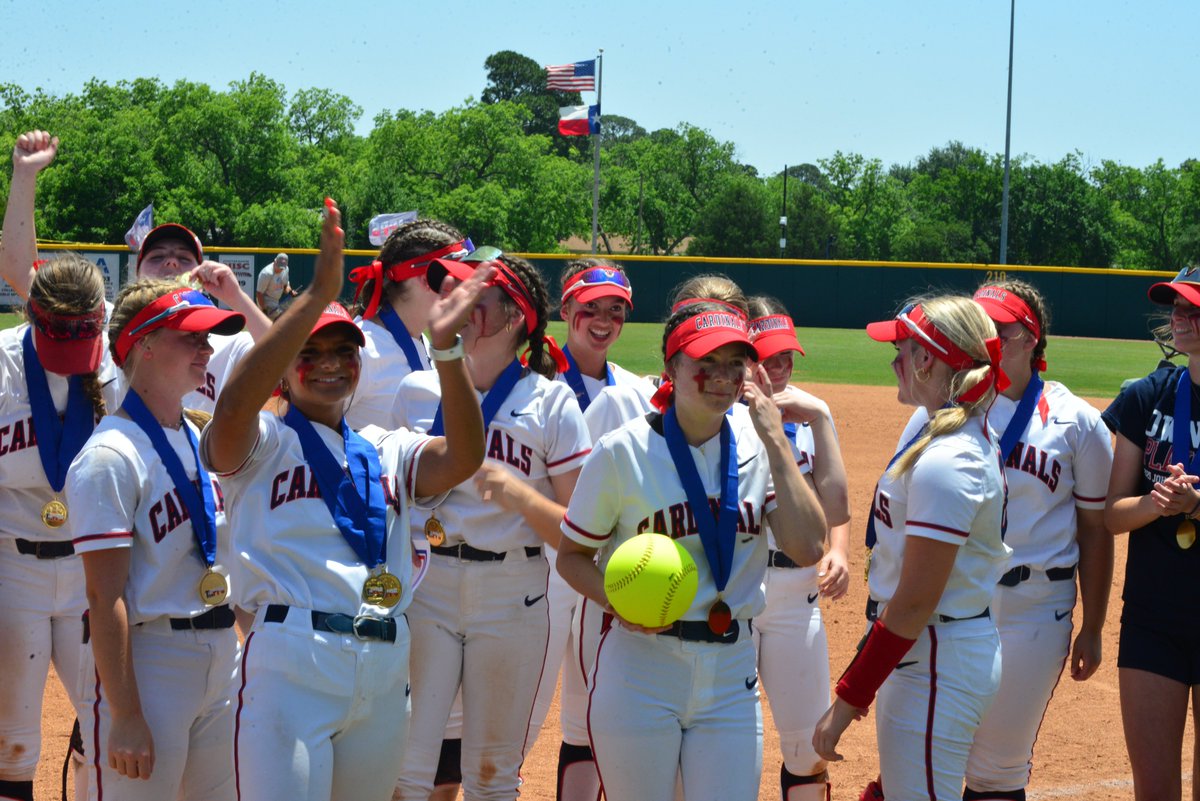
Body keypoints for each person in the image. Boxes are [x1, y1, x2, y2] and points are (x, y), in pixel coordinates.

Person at [201, 199, 490, 801]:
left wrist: (449, 350)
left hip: (384, 663)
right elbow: (228, 418)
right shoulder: (265, 444)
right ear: (283, 369)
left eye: (343, 353)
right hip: (291, 658)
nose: (329, 365)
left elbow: (463, 457)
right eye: (309, 354)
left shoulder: (387, 449)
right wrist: (314, 298)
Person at [557, 291, 828, 801]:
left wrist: (776, 441)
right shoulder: (623, 451)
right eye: (707, 362)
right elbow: (572, 558)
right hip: (642, 665)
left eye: (735, 363)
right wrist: (616, 600)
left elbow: (810, 544)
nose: (723, 377)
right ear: (672, 367)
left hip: (731, 672)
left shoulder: (755, 445)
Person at [391, 249, 591, 801]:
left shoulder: (550, 402)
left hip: (511, 593)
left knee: (491, 774)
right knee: (407, 768)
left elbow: (580, 535)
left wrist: (523, 498)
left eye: (472, 295)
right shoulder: (415, 390)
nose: (452, 302)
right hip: (424, 586)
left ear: (514, 318)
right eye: (448, 291)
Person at [812, 296, 1011, 800]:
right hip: (928, 652)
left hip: (935, 656)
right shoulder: (936, 428)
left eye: (901, 350)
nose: (893, 361)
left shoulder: (950, 458)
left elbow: (917, 599)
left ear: (927, 359)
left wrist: (848, 700)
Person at [67, 278, 247, 800]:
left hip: (220, 655)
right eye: (190, 337)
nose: (207, 349)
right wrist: (124, 714)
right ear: (141, 344)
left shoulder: (197, 436)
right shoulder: (110, 456)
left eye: (208, 338)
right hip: (150, 662)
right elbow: (104, 596)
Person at [963, 281, 1114, 801]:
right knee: (931, 751)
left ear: (1030, 338)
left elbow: (1095, 532)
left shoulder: (1078, 422)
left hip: (1034, 609)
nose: (985, 340)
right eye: (977, 327)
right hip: (957, 600)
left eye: (998, 331)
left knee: (996, 772)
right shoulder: (949, 404)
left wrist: (1092, 626)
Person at [0, 130, 270, 415]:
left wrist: (237, 297)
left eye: (184, 257)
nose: (171, 263)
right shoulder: (105, 323)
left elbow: (287, 362)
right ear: (137, 275)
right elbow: (20, 272)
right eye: (157, 256)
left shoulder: (223, 343)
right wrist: (25, 174)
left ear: (202, 277)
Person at [0, 256, 123, 801]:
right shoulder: (3, 364)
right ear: (31, 315)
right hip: (10, 561)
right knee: (12, 743)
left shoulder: (119, 362)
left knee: (109, 720)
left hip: (89, 566)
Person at [746, 296, 852, 801]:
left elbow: (836, 504)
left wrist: (840, 551)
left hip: (797, 593)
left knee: (809, 748)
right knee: (734, 744)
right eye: (770, 356)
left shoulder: (809, 410)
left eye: (788, 354)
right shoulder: (722, 413)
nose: (782, 365)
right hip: (742, 590)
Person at [1103, 266, 1200, 801]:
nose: (1180, 318)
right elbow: (1112, 514)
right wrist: (1156, 502)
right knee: (1154, 790)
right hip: (1153, 618)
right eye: (1175, 308)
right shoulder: (1146, 396)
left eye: (1193, 308)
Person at [345, 219, 472, 431]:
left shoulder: (422, 341)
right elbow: (307, 432)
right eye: (457, 278)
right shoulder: (362, 350)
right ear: (426, 278)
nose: (465, 290)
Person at [256, 252, 295, 320]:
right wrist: (264, 309)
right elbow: (259, 293)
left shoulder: (286, 269)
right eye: (279, 266)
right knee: (281, 319)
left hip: (276, 301)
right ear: (275, 261)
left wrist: (291, 291)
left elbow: (285, 286)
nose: (280, 269)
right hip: (265, 300)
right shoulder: (266, 273)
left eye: (282, 267)